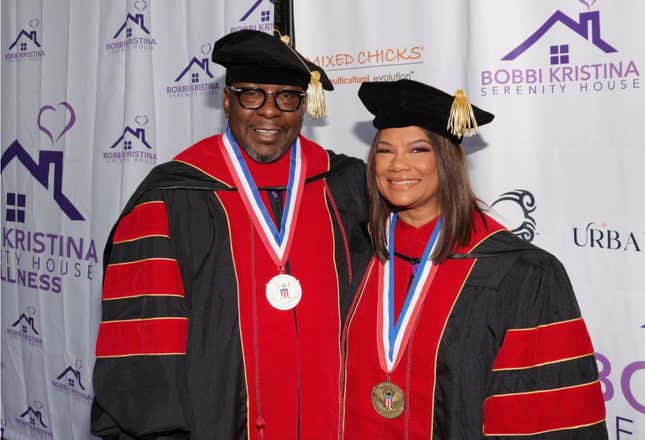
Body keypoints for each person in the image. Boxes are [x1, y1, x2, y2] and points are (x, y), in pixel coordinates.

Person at [91, 30, 370, 440]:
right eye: (252, 94)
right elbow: (143, 349)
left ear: (304, 107)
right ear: (227, 101)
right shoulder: (172, 197)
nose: (270, 112)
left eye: (287, 97)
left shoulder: (345, 186)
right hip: (216, 423)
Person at [340, 79, 608, 439]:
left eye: (418, 149)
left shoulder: (520, 273)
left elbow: (544, 415)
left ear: (447, 160)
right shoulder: (358, 255)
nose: (398, 165)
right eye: (385, 151)